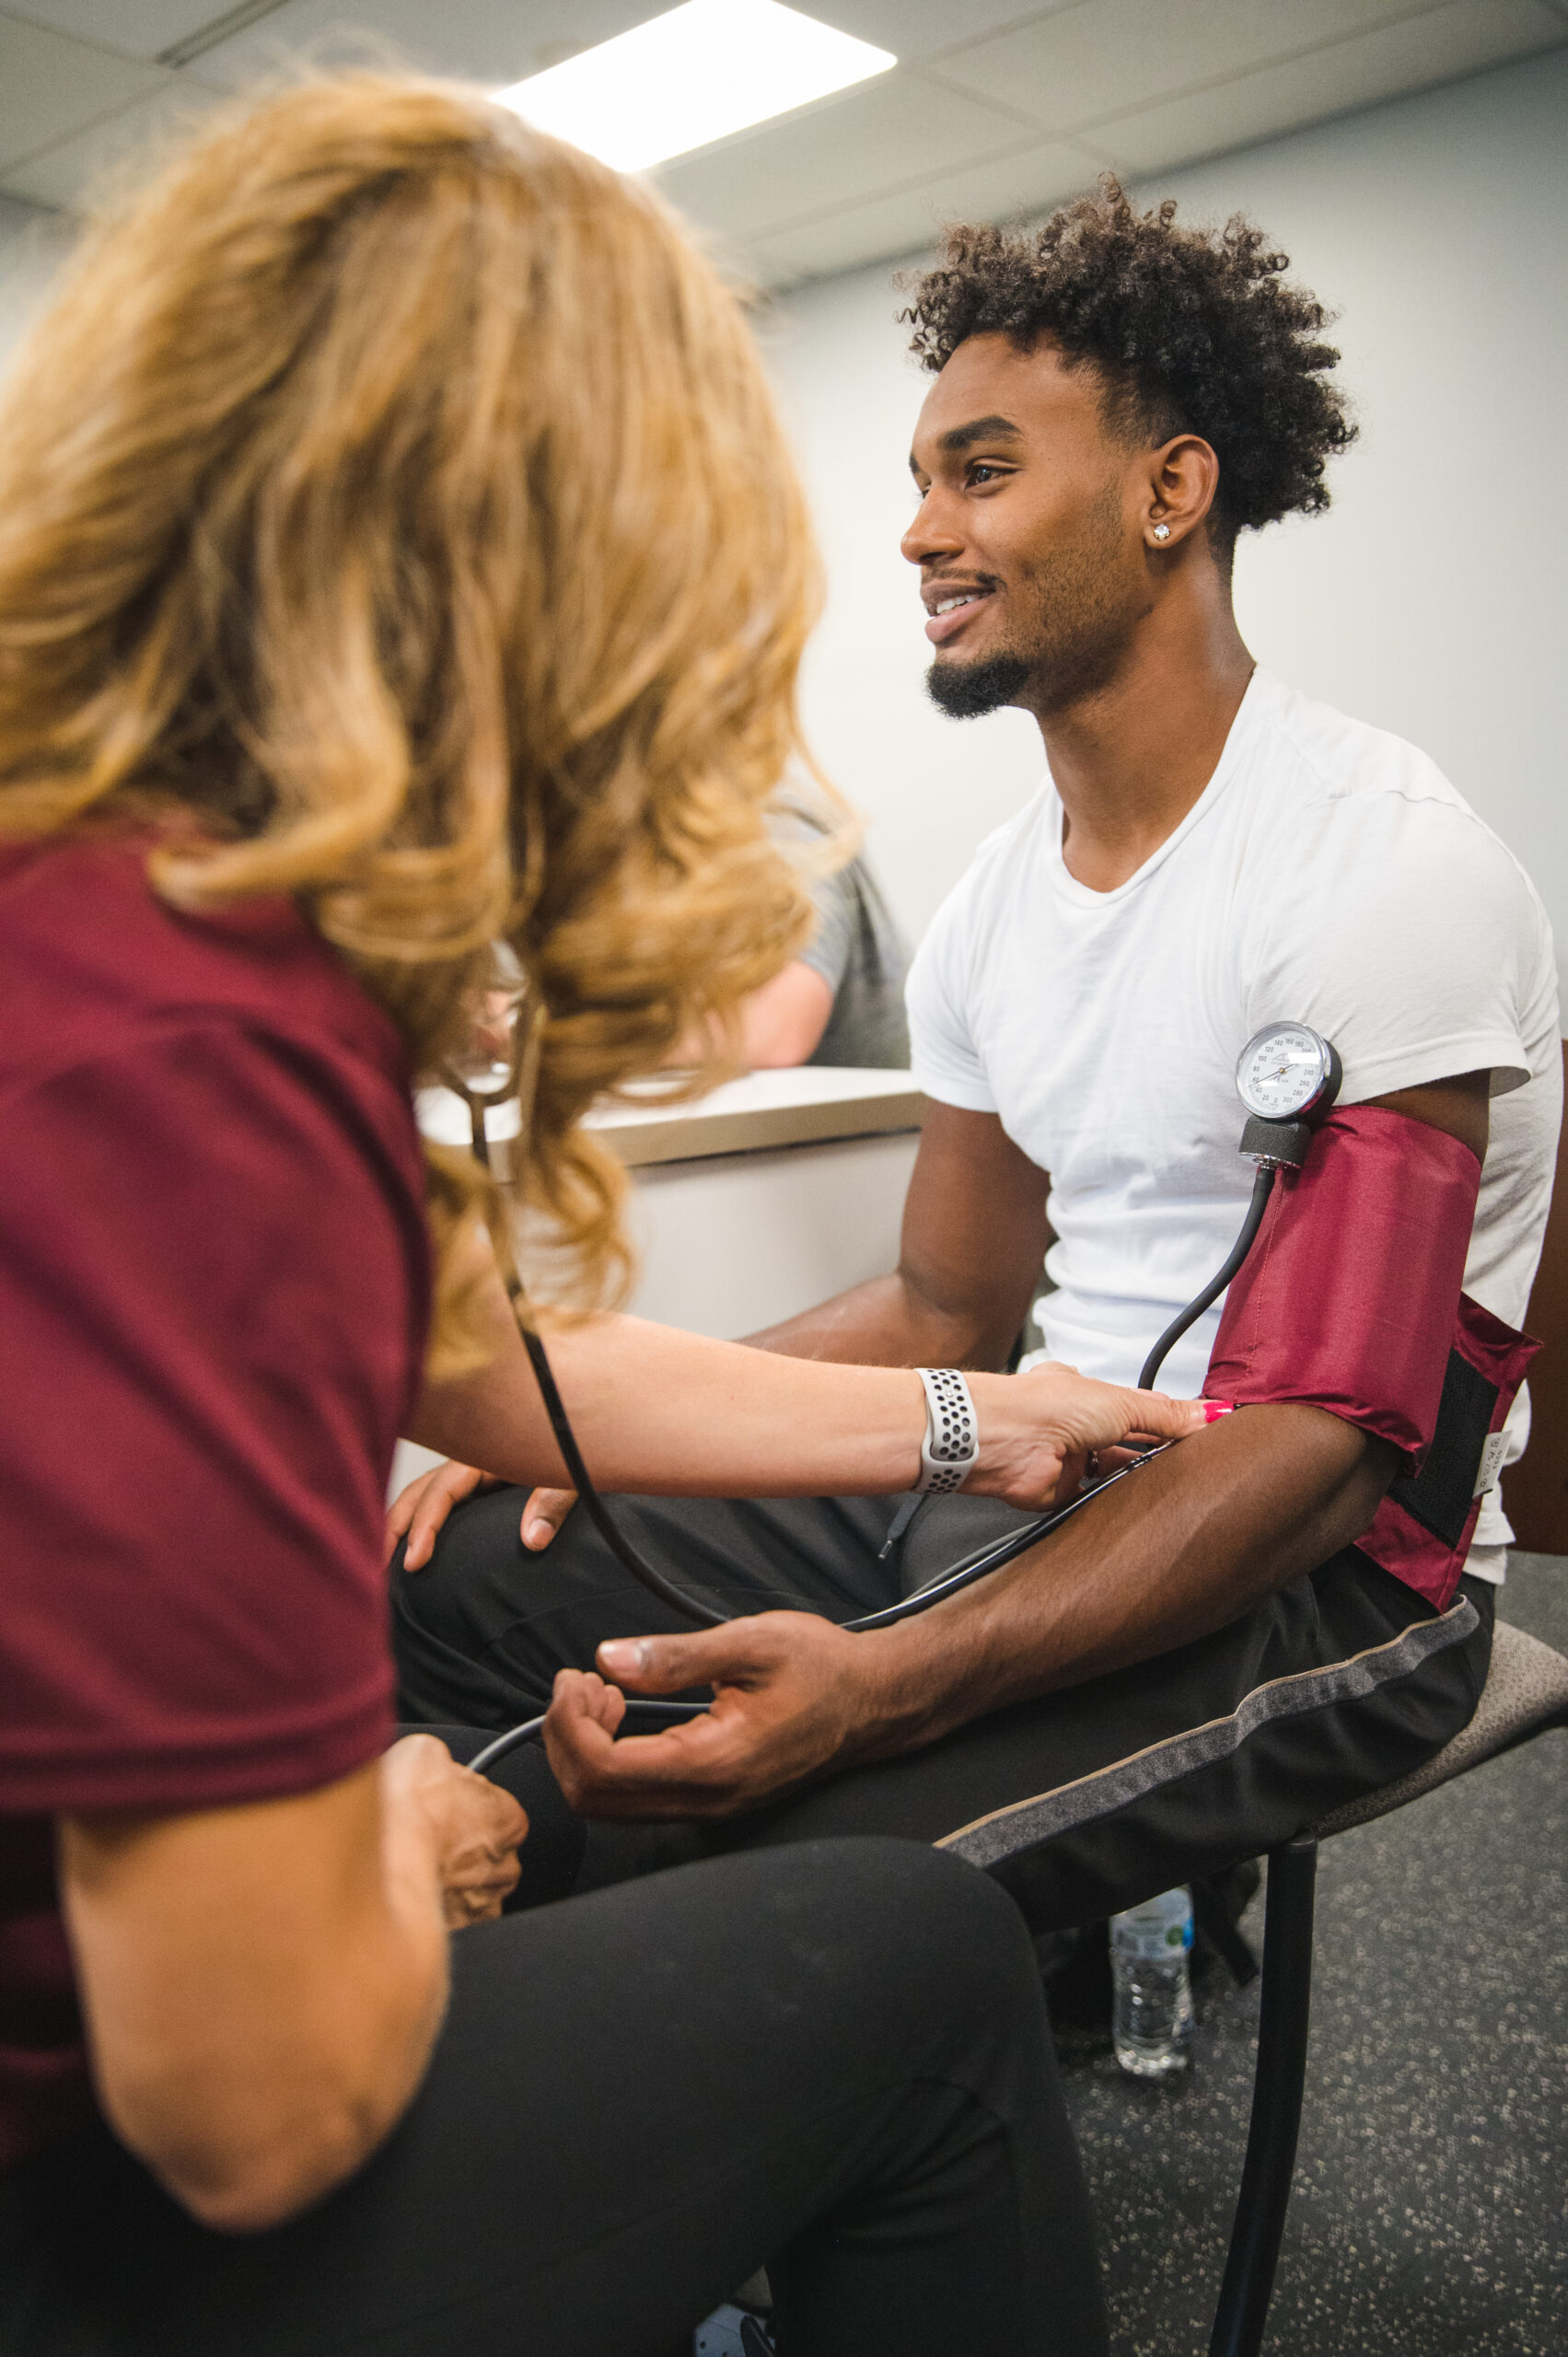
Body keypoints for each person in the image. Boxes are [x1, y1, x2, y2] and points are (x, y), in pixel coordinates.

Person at [0, 86, 1225, 2357]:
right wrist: (395, 1842)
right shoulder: (188, 1060)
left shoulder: (105, 892)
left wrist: (987, 1418)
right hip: (79, 2197)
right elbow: (252, 2103)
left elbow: (509, 1360)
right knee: (925, 1966)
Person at [389, 183, 1560, 1933]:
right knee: (462, 1573)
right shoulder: (1004, 905)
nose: (925, 533)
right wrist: (591, 1435)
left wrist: (893, 1680)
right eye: (922, 483)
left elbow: (1323, 1446)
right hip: (1037, 1463)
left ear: (1174, 489)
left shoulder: (1381, 863)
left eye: (985, 472)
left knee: (772, 1875)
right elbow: (948, 1305)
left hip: (1325, 1577)